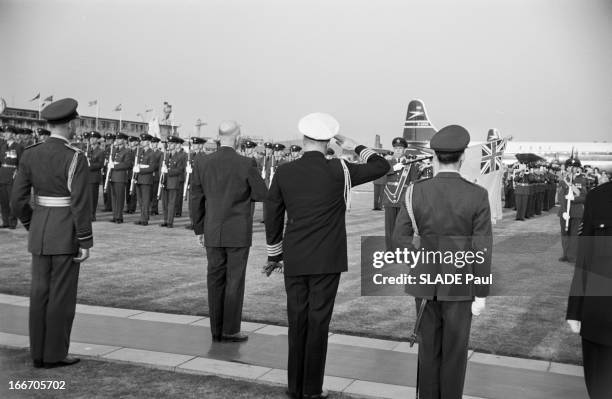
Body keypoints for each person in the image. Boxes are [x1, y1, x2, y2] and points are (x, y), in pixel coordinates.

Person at [264, 113, 389, 399]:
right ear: (328, 140)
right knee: (318, 323)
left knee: (297, 322)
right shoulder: (341, 170)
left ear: (303, 139)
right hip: (326, 258)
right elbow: (382, 165)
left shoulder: (284, 172)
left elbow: (273, 216)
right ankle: (311, 390)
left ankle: (295, 388)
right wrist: (356, 146)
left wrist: (275, 254)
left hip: (295, 255)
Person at [393, 125, 492, 399]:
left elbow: (399, 238)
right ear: (462, 157)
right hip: (460, 284)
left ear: (435, 157)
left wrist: (422, 258)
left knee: (428, 352)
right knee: (454, 354)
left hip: (425, 281)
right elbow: (482, 248)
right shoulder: (477, 194)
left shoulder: (416, 191)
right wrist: (481, 292)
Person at [10, 98, 92, 369]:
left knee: (39, 294)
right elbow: (80, 204)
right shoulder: (75, 157)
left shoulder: (30, 153)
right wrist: (85, 240)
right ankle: (54, 354)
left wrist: (31, 224)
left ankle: (38, 353)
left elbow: (17, 201)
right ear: (69, 125)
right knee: (60, 297)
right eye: (75, 124)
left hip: (40, 229)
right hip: (65, 233)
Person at [190, 121, 267, 343]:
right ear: (238, 137)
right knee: (234, 281)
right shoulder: (246, 162)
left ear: (218, 136)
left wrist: (199, 228)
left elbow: (196, 197)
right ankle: (230, 329)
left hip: (212, 228)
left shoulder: (202, 162)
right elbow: (262, 193)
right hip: (237, 230)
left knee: (214, 279)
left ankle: (216, 329)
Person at [566, 180, 612, 398]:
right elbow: (584, 259)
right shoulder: (599, 197)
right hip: (601, 317)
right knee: (600, 390)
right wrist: (575, 309)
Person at [382, 137, 419, 250]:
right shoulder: (387, 163)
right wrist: (393, 169)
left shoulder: (410, 164)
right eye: (396, 148)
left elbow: (414, 182)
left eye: (401, 148)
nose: (398, 150)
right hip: (389, 199)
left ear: (404, 150)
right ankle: (390, 252)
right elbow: (381, 177)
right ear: (393, 149)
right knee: (390, 228)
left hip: (403, 200)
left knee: (404, 228)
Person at [558, 156, 588, 262]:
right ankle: (565, 254)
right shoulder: (563, 181)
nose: (572, 168)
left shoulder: (582, 180)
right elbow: (560, 196)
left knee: (574, 234)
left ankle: (572, 255)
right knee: (565, 234)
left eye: (574, 167)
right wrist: (564, 210)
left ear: (578, 168)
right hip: (564, 211)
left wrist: (574, 198)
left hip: (576, 211)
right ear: (566, 168)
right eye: (570, 166)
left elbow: (584, 197)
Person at [0, 125, 24, 229]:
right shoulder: (2, 145)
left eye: (7, 132)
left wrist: (18, 175)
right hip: (2, 174)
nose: (5, 134)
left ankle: (12, 222)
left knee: (12, 200)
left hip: (12, 175)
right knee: (3, 200)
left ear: (13, 134)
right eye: (4, 132)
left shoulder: (18, 147)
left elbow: (21, 163)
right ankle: (5, 221)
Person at [160, 135, 186, 228]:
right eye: (168, 143)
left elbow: (180, 169)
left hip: (173, 182)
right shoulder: (166, 155)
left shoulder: (179, 156)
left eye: (171, 143)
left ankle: (170, 222)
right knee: (165, 203)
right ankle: (165, 220)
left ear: (175, 145)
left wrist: (168, 171)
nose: (169, 145)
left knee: (171, 203)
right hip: (165, 181)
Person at [108, 132, 133, 223]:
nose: (117, 140)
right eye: (116, 139)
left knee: (119, 198)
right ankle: (115, 215)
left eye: (119, 139)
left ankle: (119, 217)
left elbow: (128, 164)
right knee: (114, 198)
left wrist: (114, 165)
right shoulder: (114, 150)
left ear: (123, 140)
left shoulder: (127, 151)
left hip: (120, 178)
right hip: (113, 177)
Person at [133, 134, 156, 226]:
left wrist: (140, 169)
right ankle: (142, 217)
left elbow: (151, 168)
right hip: (138, 179)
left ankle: (145, 219)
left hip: (146, 179)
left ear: (148, 142)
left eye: (144, 140)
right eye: (141, 140)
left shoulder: (152, 153)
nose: (141, 142)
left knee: (146, 200)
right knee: (140, 200)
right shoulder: (140, 152)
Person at [85, 131, 105, 221]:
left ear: (97, 140)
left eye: (94, 138)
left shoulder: (100, 151)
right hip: (86, 177)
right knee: (87, 197)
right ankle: (87, 213)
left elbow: (100, 164)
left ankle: (92, 215)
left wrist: (89, 165)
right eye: (90, 138)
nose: (91, 139)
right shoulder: (88, 150)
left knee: (93, 197)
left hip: (94, 177)